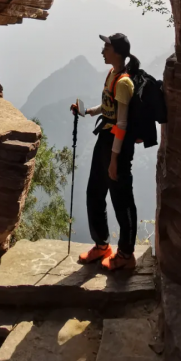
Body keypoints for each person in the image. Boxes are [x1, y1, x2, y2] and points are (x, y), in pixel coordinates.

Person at [71, 32, 140, 271]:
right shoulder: (113, 75)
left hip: (117, 145)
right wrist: (86, 112)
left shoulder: (124, 82)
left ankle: (125, 254)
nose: (102, 51)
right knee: (94, 193)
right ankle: (102, 245)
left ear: (118, 52)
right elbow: (108, 105)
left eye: (106, 48)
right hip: (105, 139)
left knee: (122, 201)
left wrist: (114, 160)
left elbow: (122, 124)